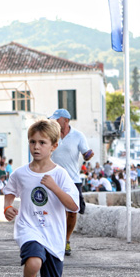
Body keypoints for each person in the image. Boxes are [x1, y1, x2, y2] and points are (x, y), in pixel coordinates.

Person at [3, 119, 79, 277]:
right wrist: (7, 208)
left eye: (42, 143)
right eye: (32, 142)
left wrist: (55, 187)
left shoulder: (60, 175)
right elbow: (9, 192)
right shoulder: (21, 173)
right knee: (34, 261)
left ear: (54, 146)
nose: (36, 147)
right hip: (29, 228)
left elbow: (73, 206)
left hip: (53, 233)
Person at [49, 108, 93, 256]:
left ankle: (66, 240)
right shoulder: (50, 135)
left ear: (65, 121)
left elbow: (85, 153)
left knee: (73, 212)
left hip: (73, 180)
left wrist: (88, 155)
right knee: (54, 211)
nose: (54, 122)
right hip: (53, 179)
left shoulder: (78, 135)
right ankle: (54, 240)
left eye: (56, 119)